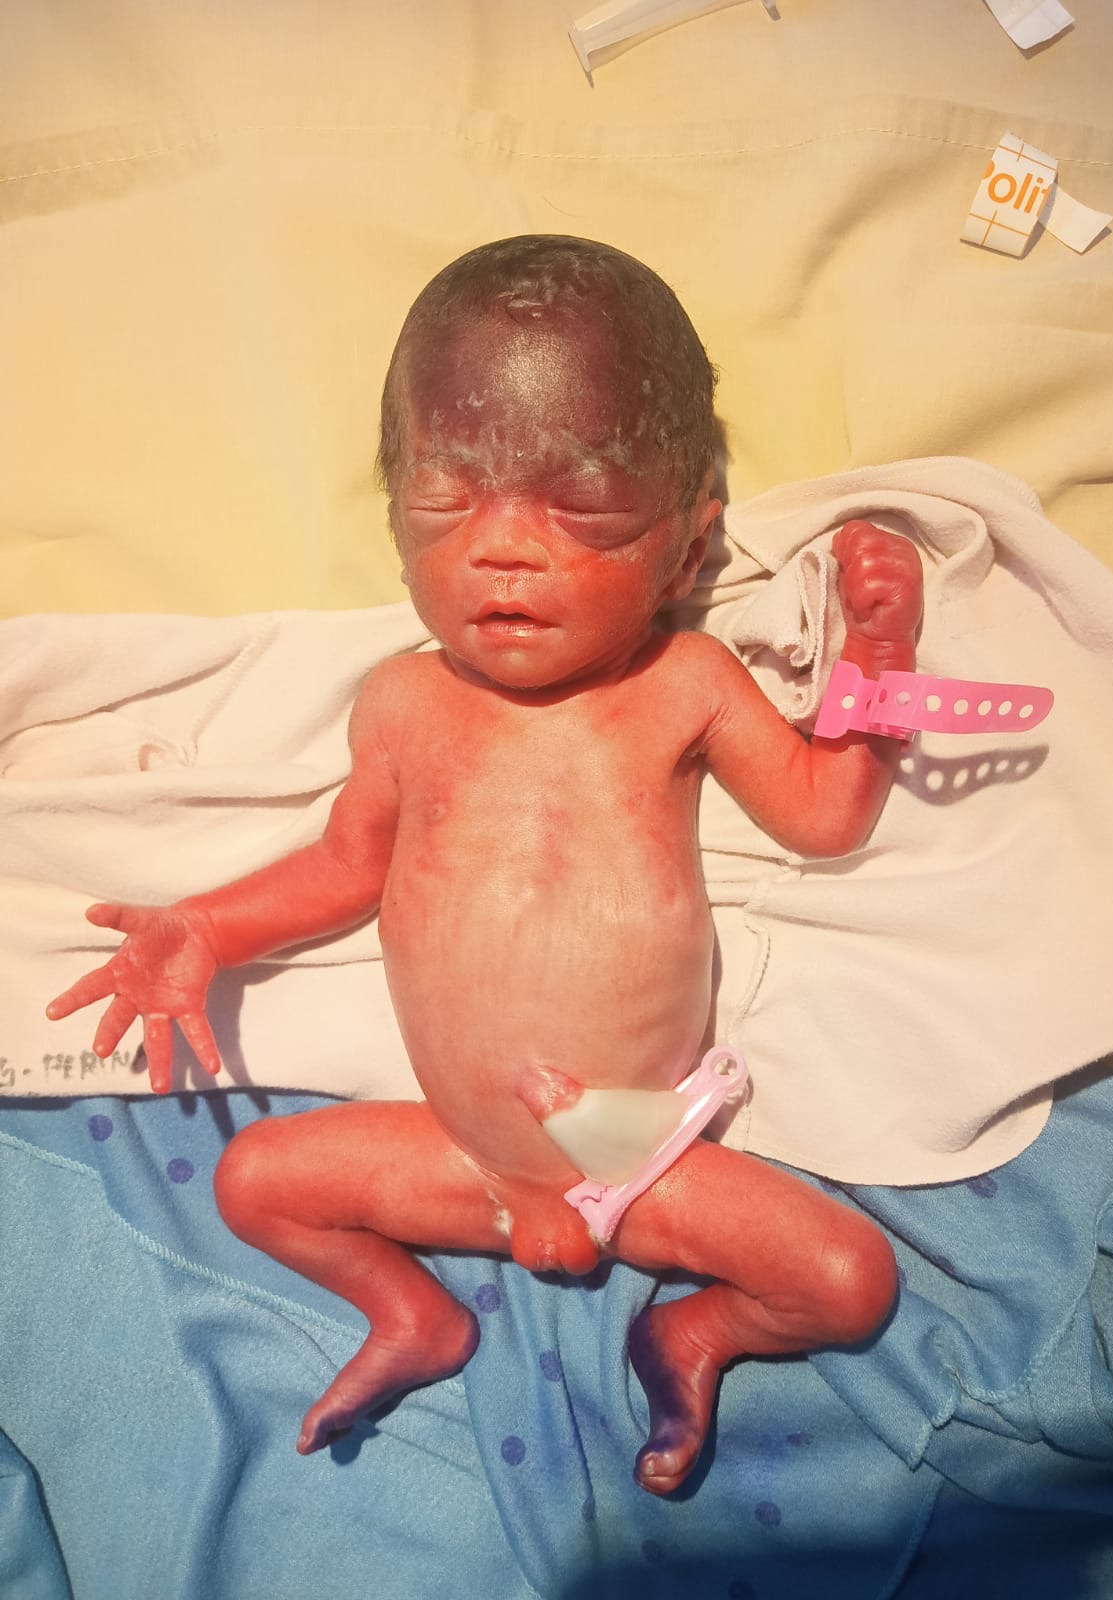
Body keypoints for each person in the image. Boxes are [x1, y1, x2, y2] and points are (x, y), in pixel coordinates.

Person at [47, 235, 923, 1495]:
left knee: (847, 1278)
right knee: (255, 1182)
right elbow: (344, 867)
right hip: (463, 1159)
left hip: (635, 1156)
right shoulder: (404, 702)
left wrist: (878, 664)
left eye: (587, 511)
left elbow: (826, 815)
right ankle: (412, 1314)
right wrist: (207, 929)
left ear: (687, 553)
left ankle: (694, 1330)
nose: (502, 548)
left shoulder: (682, 683)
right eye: (446, 503)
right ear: (394, 522)